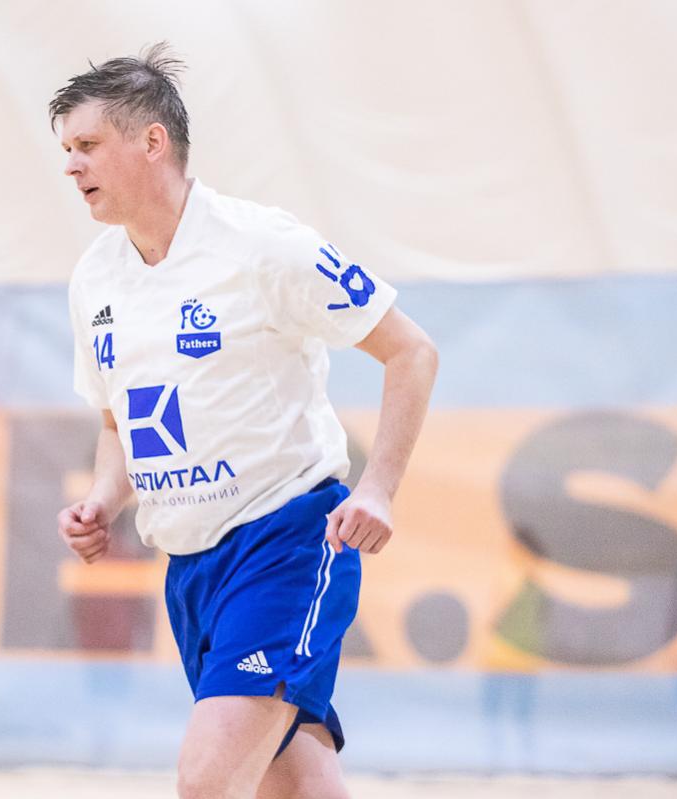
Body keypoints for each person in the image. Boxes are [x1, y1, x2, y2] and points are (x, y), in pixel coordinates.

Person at [51, 43, 438, 799]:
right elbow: (118, 422)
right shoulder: (94, 277)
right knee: (292, 784)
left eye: (87, 145)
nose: (70, 166)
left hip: (284, 540)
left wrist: (379, 488)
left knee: (208, 781)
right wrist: (102, 498)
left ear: (152, 141)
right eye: (65, 149)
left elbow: (411, 351)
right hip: (190, 566)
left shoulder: (263, 245)